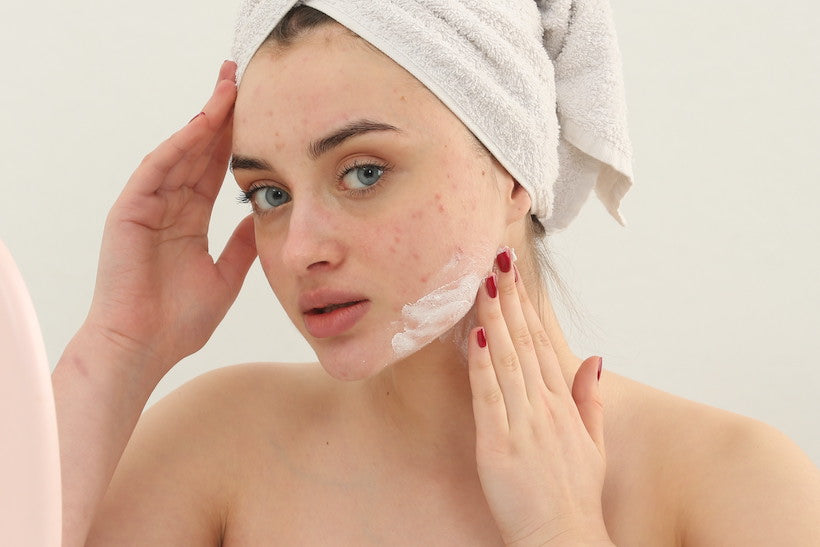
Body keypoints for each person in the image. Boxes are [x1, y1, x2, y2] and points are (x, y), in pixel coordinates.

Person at [52, 2, 820, 546]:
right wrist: (120, 347)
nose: (297, 250)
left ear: (514, 167)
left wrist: (562, 530)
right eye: (269, 193)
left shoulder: (734, 482)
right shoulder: (213, 447)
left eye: (363, 172)